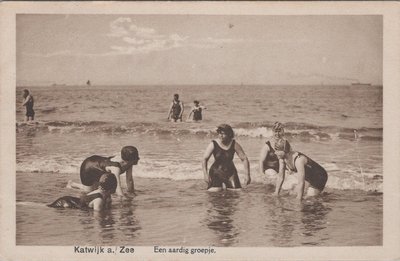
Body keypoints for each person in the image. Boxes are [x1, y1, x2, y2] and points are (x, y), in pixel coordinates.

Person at [67, 146, 139, 197]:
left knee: (98, 189)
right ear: (126, 161)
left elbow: (129, 180)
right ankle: (72, 184)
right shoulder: (115, 168)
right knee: (89, 192)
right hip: (89, 167)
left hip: (99, 167)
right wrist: (124, 200)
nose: (137, 160)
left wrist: (132, 193)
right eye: (135, 159)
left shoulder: (129, 163)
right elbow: (118, 188)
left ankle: (75, 184)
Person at [202, 124, 251, 191]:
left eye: (223, 134)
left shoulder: (234, 144)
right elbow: (205, 159)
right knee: (215, 192)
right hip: (216, 172)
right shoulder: (213, 144)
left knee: (237, 192)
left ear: (229, 134)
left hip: (230, 172)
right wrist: (205, 174)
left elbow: (244, 159)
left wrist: (247, 175)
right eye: (219, 133)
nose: (221, 136)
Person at [48, 173, 117, 211]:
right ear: (111, 189)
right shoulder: (99, 200)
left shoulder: (104, 193)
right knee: (49, 207)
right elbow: (98, 217)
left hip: (72, 201)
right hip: (65, 203)